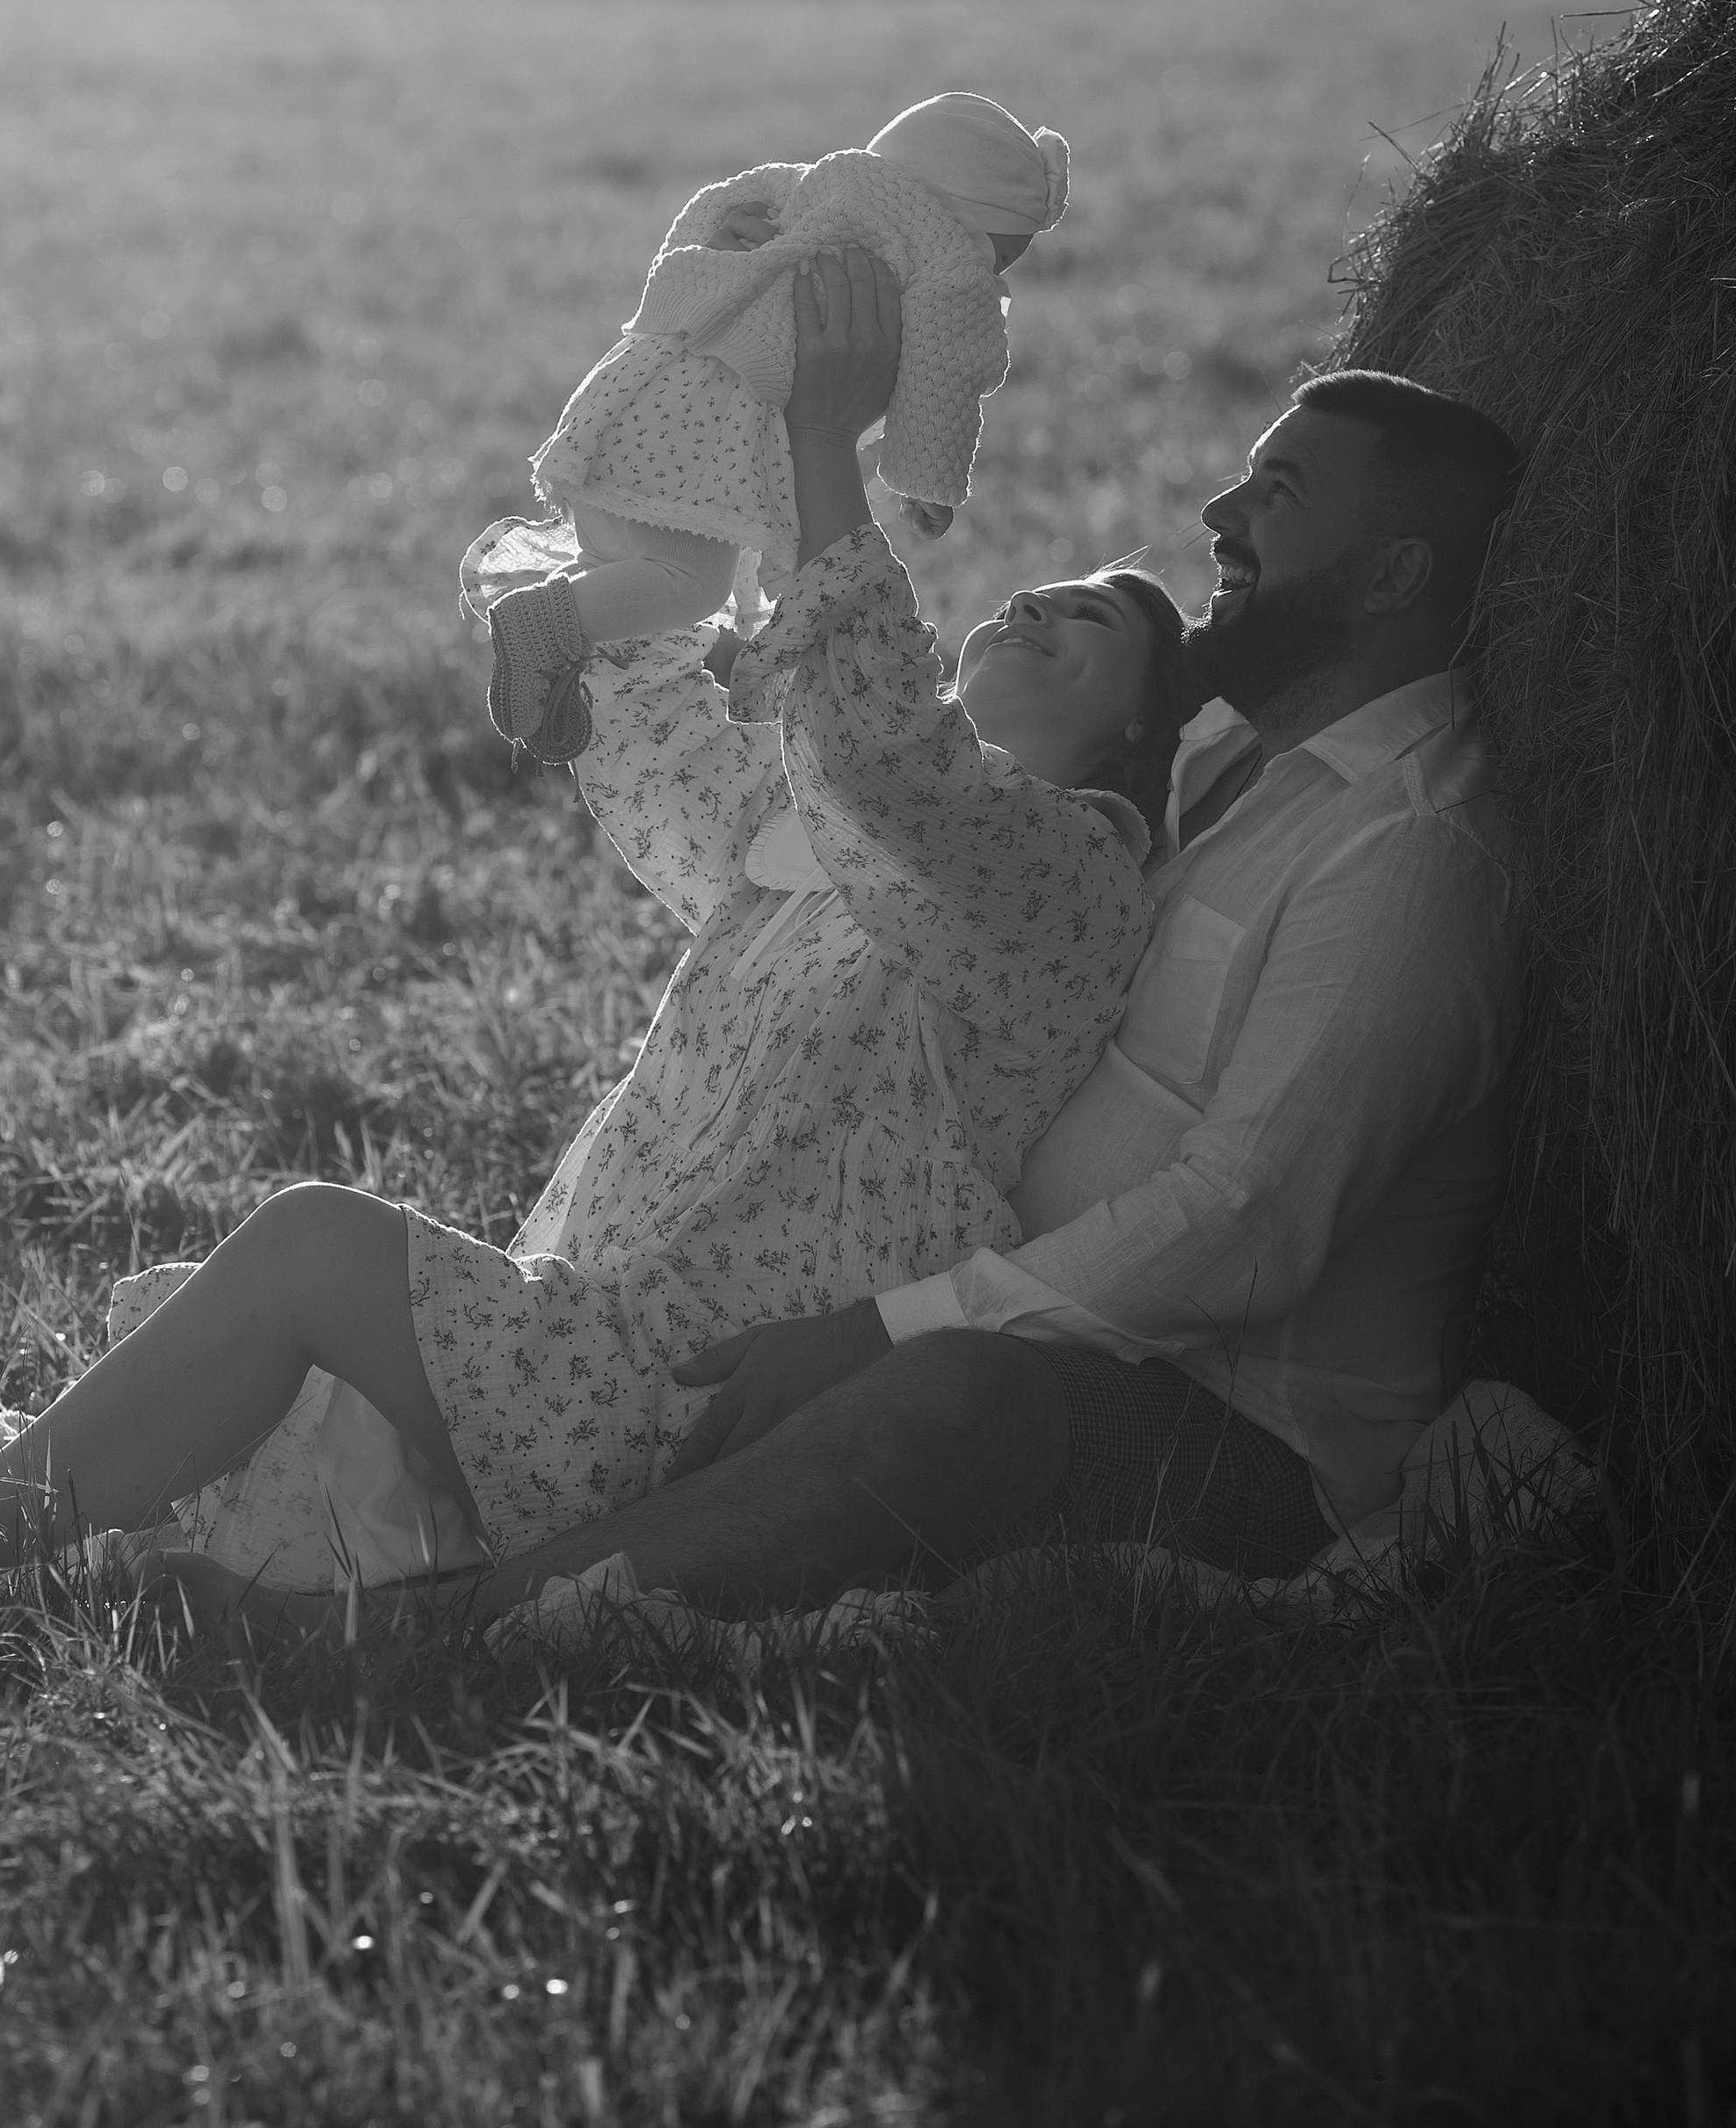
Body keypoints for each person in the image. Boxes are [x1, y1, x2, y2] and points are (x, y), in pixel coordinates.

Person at [0, 248, 1176, 1579]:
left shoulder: (1061, 888)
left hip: (695, 1401)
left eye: (1097, 619)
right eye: (1036, 592)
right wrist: (685, 449)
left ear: (1134, 740)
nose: (1038, 609)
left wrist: (820, 448)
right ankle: (8, 1492)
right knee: (302, 1331)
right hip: (600, 1333)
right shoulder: (810, 844)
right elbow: (663, 727)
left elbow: (886, 756)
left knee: (317, 1245)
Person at [435, 351, 1530, 1616]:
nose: (1220, 514)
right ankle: (509, 1529)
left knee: (949, 1397)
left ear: (1394, 572)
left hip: (1241, 1436)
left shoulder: (1410, 856)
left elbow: (1246, 1228)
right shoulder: (1237, 751)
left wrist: (889, 1327)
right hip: (1021, 1308)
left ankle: (473, 1622)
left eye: (1276, 491)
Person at [472, 89, 1068, 760]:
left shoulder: (810, 184)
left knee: (623, 566)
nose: (994, 280)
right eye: (1000, 257)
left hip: (642, 386)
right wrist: (926, 479)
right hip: (710, 435)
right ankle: (540, 626)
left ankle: (565, 668)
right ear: (966, 220)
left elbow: (707, 217)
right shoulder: (947, 259)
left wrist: (707, 263)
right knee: (691, 584)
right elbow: (946, 374)